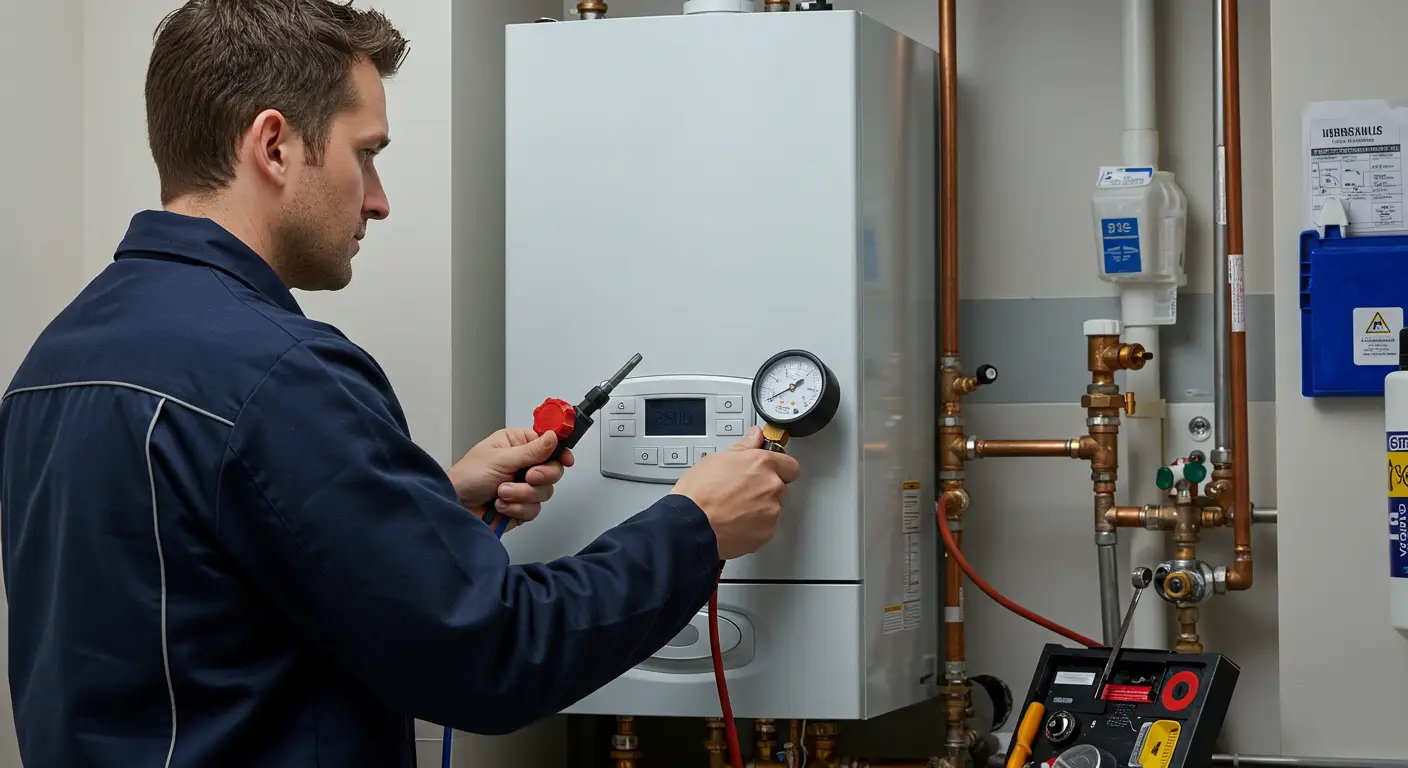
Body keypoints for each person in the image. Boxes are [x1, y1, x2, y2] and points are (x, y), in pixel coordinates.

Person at [0, 1, 801, 765]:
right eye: (367, 153)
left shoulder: (53, 362)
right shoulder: (281, 373)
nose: (378, 201)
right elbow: (495, 654)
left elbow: (189, 598)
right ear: (273, 146)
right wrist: (696, 525)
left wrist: (429, 503)